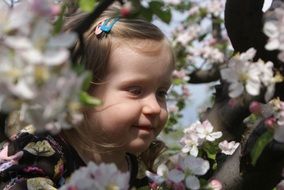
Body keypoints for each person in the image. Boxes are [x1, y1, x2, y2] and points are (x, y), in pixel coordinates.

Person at [0, 4, 175, 189]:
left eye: (161, 93)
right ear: (81, 90)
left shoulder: (140, 171)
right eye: (135, 91)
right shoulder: (38, 151)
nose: (155, 107)